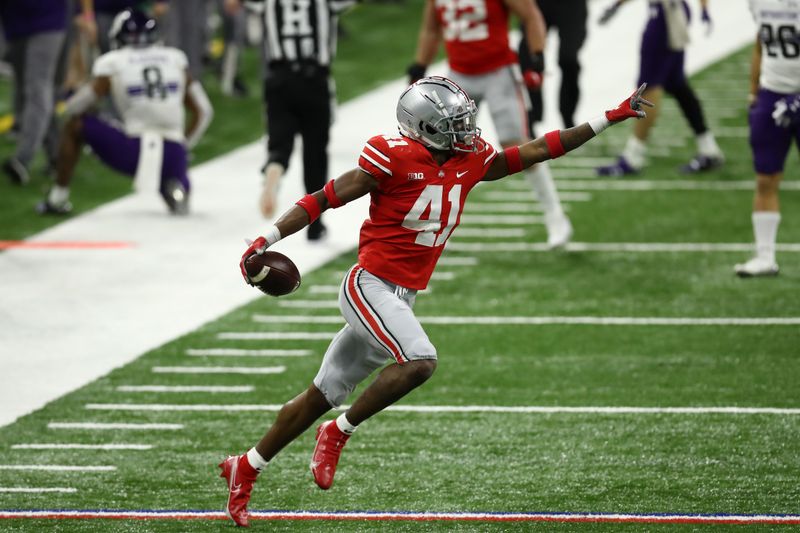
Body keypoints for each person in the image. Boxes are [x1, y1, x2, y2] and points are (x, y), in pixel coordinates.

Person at [218, 76, 653, 527]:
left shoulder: (472, 159)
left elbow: (540, 149)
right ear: (424, 126)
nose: (467, 130)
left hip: (401, 296)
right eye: (455, 123)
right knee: (420, 361)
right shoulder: (391, 157)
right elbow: (323, 199)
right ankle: (339, 430)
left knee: (319, 395)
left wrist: (609, 117)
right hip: (368, 285)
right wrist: (266, 238)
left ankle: (245, 466)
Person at [406, 0, 573, 249]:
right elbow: (432, 28)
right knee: (442, 149)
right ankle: (435, 220)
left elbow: (530, 14)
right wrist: (420, 64)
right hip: (459, 75)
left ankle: (555, 215)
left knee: (516, 144)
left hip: (498, 73)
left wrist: (537, 54)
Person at [36, 8, 213, 215]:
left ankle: (58, 198)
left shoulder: (113, 62)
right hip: (174, 153)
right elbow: (204, 111)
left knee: (76, 125)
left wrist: (71, 96)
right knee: (181, 205)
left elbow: (76, 107)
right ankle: (173, 183)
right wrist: (183, 145)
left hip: (133, 151)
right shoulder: (175, 58)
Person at [241, 0, 356, 241]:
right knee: (315, 154)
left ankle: (274, 168)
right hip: (314, 80)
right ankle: (315, 224)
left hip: (279, 79)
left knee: (279, 142)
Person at [596, 0, 725, 176]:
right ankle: (709, 148)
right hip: (670, 13)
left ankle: (633, 157)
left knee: (647, 89)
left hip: (665, 17)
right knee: (678, 86)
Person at [734, 0, 800, 277]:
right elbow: (761, 41)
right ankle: (765, 257)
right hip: (771, 93)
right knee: (765, 177)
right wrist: (754, 93)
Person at [0, 0, 95, 186]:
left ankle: (22, 159)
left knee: (38, 88)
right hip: (14, 23)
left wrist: (85, 14)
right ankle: (56, 157)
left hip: (48, 20)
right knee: (29, 90)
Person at [517, 0, 589, 130]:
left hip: (572, 5)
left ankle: (568, 117)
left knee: (568, 59)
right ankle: (534, 114)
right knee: (529, 54)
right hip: (540, 3)